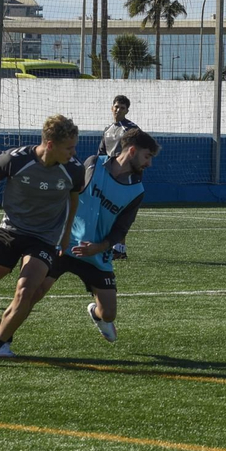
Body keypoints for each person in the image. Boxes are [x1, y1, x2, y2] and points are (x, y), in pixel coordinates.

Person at [0, 114, 85, 368]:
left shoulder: (74, 169)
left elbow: (73, 200)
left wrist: (66, 234)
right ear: (50, 145)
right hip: (10, 230)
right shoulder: (15, 159)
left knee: (25, 291)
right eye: (69, 147)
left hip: (44, 238)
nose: (74, 152)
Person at [39, 128, 159, 343]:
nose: (149, 164)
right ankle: (2, 340)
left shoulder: (136, 190)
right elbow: (70, 192)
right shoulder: (93, 164)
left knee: (109, 313)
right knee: (32, 293)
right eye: (147, 156)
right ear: (132, 151)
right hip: (64, 244)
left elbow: (121, 229)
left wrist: (99, 247)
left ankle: (96, 313)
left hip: (96, 256)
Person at [97, 95, 139, 260]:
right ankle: (110, 247)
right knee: (106, 211)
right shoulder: (108, 129)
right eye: (116, 106)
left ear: (127, 110)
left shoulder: (131, 129)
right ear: (111, 108)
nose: (118, 110)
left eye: (122, 107)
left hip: (125, 176)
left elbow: (137, 152)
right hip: (108, 175)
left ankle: (119, 249)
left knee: (120, 212)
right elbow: (101, 153)